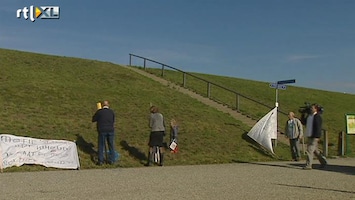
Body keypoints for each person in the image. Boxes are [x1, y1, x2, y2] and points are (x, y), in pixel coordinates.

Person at [303, 104, 327, 170]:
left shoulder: (317, 117)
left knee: (309, 150)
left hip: (314, 136)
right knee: (315, 151)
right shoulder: (309, 116)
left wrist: (317, 136)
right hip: (309, 135)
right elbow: (303, 122)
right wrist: (303, 114)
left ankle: (308, 165)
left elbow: (318, 127)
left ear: (316, 109)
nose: (311, 109)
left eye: (312, 108)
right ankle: (323, 162)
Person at [92, 100, 116, 165]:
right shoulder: (111, 112)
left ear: (102, 105)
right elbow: (113, 120)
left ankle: (101, 161)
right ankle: (112, 160)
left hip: (102, 130)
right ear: (108, 105)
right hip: (110, 130)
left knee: (101, 145)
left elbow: (93, 119)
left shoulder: (99, 112)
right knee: (111, 145)